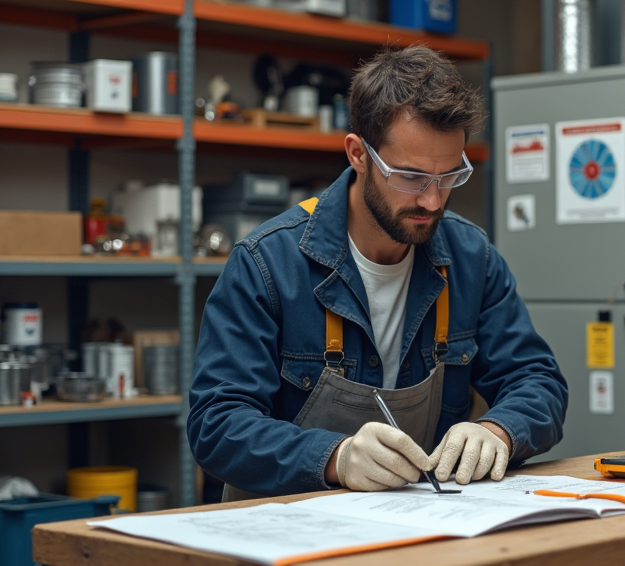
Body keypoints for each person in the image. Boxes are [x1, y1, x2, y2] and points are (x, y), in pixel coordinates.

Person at [187, 45, 568, 500]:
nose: (432, 201)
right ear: (358, 154)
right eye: (410, 177)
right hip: (289, 536)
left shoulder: (471, 258)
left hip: (422, 531)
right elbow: (216, 423)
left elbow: (538, 380)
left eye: (448, 177)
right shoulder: (267, 264)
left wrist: (498, 430)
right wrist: (334, 458)